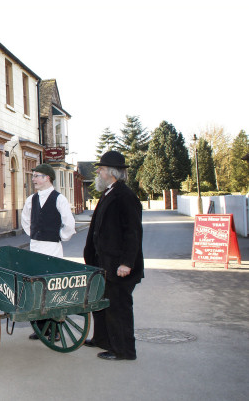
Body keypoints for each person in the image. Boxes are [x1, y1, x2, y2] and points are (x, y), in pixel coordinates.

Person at [83, 151, 144, 361]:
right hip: (104, 263)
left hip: (119, 265)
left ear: (111, 172)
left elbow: (133, 232)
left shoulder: (125, 196)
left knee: (118, 308)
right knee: (101, 303)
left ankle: (124, 350)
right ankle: (102, 339)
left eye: (100, 169)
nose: (98, 172)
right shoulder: (109, 192)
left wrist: (127, 263)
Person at [21, 163, 76, 340]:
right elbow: (25, 221)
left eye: (37, 176)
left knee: (52, 288)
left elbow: (69, 224)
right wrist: (35, 235)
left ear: (47, 178)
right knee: (37, 286)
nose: (33, 179)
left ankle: (55, 330)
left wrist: (59, 236)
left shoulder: (59, 199)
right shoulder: (31, 199)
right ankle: (40, 328)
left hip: (52, 248)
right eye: (33, 176)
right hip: (35, 247)